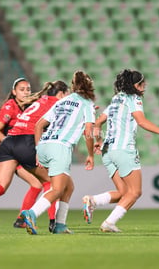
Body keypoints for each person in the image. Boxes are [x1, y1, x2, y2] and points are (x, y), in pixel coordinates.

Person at [0, 81, 69, 229]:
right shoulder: (10, 106)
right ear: (14, 91)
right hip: (7, 148)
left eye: (28, 89)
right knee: (50, 182)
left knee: (4, 186)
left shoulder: (31, 105)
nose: (26, 92)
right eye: (22, 89)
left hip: (9, 147)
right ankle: (49, 222)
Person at [82, 69, 159, 232]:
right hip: (123, 150)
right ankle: (109, 223)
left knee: (123, 192)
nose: (145, 85)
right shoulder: (134, 99)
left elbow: (97, 123)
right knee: (135, 192)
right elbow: (141, 122)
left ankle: (93, 201)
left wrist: (99, 141)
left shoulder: (116, 99)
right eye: (142, 83)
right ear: (135, 85)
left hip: (108, 152)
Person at [20, 70, 96, 235]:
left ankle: (59, 225)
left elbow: (39, 125)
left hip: (45, 144)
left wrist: (38, 150)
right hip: (60, 147)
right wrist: (90, 154)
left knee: (68, 187)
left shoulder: (62, 101)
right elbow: (89, 131)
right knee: (57, 189)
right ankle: (31, 214)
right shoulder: (87, 103)